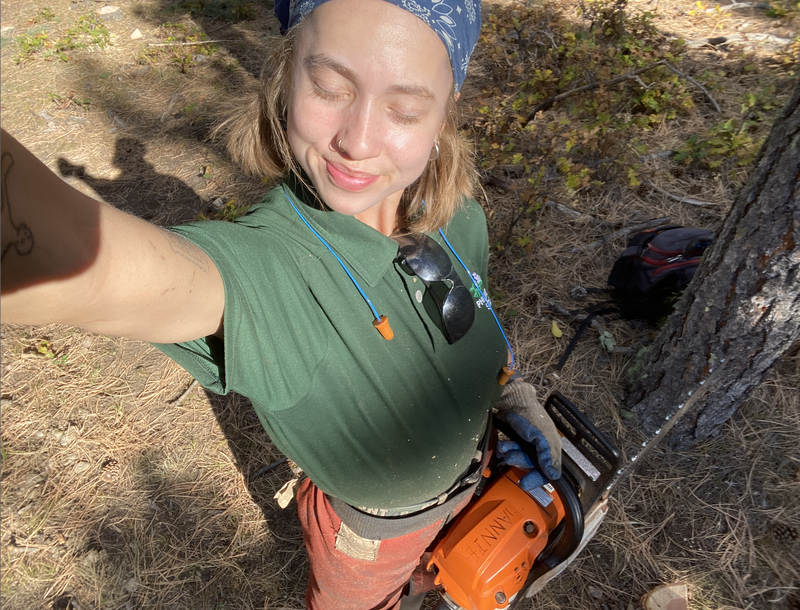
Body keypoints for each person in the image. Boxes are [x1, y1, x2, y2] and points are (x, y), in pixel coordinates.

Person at [0, 0, 562, 608]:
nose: (357, 142)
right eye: (329, 88)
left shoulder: (462, 217)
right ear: (285, 75)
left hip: (480, 482)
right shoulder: (270, 271)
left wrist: (510, 396)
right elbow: (92, 269)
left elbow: (475, 316)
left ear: (444, 114)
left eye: (404, 110)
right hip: (373, 543)